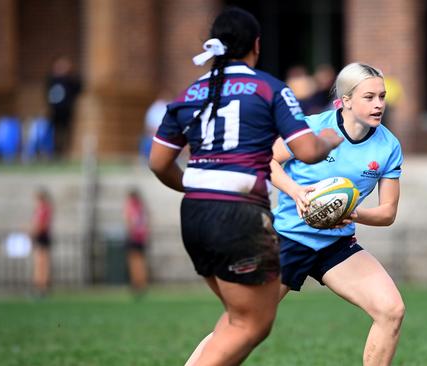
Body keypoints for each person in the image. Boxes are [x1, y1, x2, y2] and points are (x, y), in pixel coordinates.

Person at [148, 7, 342, 365]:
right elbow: (307, 151)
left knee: (238, 319)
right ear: (256, 45)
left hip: (194, 213)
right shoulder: (269, 88)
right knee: (252, 324)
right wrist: (329, 137)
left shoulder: (189, 92)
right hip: (238, 216)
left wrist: (197, 187)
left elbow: (158, 162)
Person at [271, 63, 405, 365]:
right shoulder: (312, 127)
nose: (379, 104)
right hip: (288, 239)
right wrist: (295, 192)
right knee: (246, 324)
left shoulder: (388, 146)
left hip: (335, 245)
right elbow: (268, 161)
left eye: (382, 96)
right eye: (369, 97)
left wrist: (352, 214)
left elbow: (387, 213)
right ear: (345, 100)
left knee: (391, 310)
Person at [46, 56, 81, 157]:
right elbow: (48, 93)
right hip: (55, 110)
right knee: (55, 131)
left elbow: (78, 89)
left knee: (66, 131)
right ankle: (54, 150)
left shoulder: (70, 80)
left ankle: (66, 151)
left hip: (67, 110)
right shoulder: (52, 79)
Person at [124, 188, 149, 297]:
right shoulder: (141, 207)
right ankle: (142, 283)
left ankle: (136, 284)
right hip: (142, 237)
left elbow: (129, 222)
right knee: (141, 262)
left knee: (134, 262)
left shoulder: (130, 206)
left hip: (134, 237)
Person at [30, 188, 53, 297]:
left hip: (42, 237)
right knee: (40, 264)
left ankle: (41, 288)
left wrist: (33, 232)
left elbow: (41, 226)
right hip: (41, 237)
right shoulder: (42, 209)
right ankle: (40, 287)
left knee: (41, 264)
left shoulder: (44, 209)